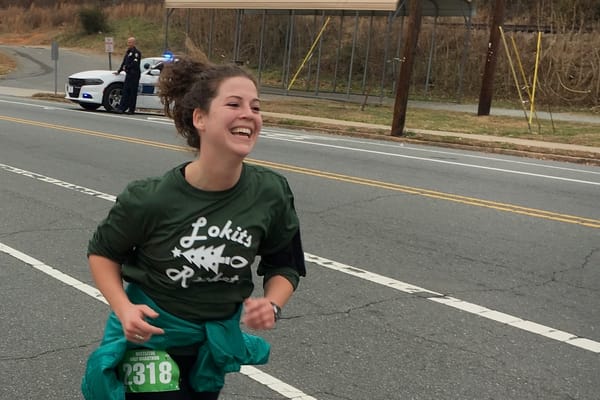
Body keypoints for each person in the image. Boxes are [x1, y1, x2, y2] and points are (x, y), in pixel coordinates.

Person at [81, 55, 306, 400]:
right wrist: (123, 308)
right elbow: (103, 252)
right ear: (199, 118)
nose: (249, 114)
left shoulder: (271, 193)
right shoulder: (150, 198)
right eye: (234, 104)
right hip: (151, 339)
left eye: (256, 107)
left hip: (211, 345)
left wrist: (272, 303)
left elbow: (284, 263)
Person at [114, 37, 142, 114]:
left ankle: (131, 109)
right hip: (129, 74)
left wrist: (127, 67)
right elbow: (124, 62)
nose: (128, 44)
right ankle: (121, 108)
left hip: (134, 75)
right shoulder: (128, 52)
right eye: (128, 42)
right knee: (126, 91)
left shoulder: (136, 53)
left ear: (133, 43)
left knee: (132, 92)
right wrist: (119, 71)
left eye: (130, 42)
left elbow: (135, 64)